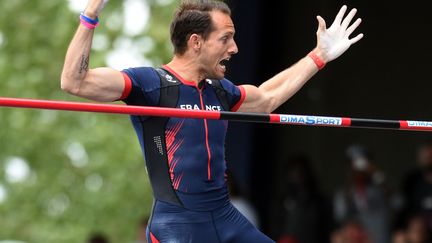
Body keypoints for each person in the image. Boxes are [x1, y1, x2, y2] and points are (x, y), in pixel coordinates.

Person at [60, 0, 363, 242]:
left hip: (225, 219)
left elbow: (268, 98)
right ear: (196, 42)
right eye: (226, 38)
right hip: (177, 226)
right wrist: (90, 13)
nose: (234, 49)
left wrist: (319, 55)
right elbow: (75, 81)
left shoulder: (220, 91)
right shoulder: (149, 84)